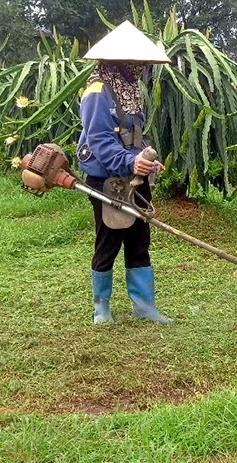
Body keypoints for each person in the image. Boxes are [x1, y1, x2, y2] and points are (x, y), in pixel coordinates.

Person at [77, 21, 172, 324]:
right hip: (106, 179)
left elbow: (134, 135)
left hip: (134, 177)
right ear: (120, 61)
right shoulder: (97, 91)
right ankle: (101, 307)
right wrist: (131, 162)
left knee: (139, 238)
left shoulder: (129, 89)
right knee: (108, 239)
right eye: (138, 62)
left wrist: (145, 159)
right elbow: (100, 141)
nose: (142, 68)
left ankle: (144, 306)